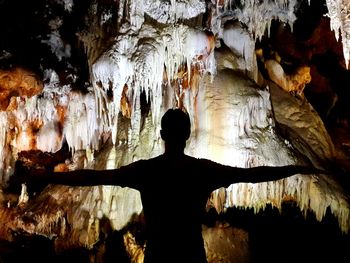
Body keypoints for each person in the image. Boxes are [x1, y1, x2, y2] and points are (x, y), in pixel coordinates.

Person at [21, 108, 324, 263]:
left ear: (162, 135)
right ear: (188, 135)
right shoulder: (202, 171)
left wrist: (49, 176)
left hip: (159, 255)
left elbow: (94, 177)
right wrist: (295, 167)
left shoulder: (147, 171)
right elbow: (255, 175)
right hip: (191, 255)